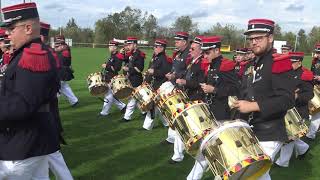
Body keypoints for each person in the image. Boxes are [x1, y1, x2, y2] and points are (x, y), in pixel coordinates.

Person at [0, 2, 61, 179]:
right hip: (29, 142)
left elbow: (22, 104)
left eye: (11, 28)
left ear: (28, 28)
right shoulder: (24, 52)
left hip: (23, 144)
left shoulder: (33, 56)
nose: (7, 33)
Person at [234, 18, 296, 180]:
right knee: (257, 176)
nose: (253, 42)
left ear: (270, 38)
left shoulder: (278, 63)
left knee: (247, 175)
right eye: (251, 39)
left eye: (258, 38)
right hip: (251, 129)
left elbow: (287, 100)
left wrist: (253, 106)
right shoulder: (252, 64)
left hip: (270, 132)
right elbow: (247, 94)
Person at [187, 36, 239, 180]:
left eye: (207, 52)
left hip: (221, 114)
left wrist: (214, 90)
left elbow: (236, 89)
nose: (204, 55)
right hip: (210, 111)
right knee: (210, 149)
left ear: (216, 50)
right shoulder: (211, 65)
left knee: (215, 150)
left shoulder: (226, 65)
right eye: (203, 52)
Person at [31, 21, 74, 180]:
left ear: (39, 36)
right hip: (41, 113)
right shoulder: (44, 53)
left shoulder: (47, 55)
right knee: (46, 157)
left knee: (50, 154)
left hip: (44, 112)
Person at [169, 36, 208, 164]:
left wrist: (186, 82)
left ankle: (205, 154)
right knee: (182, 126)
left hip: (197, 100)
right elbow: (185, 73)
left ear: (201, 51)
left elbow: (201, 83)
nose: (190, 51)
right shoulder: (192, 61)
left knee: (200, 130)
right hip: (189, 97)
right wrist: (177, 77)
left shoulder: (202, 63)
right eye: (190, 48)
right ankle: (178, 155)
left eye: (192, 48)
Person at [275, 52, 313, 168]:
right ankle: (303, 148)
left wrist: (297, 96)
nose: (289, 65)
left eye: (292, 63)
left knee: (288, 137)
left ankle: (283, 162)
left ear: (299, 62)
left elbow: (309, 94)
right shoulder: (287, 73)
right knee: (290, 135)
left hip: (298, 111)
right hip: (286, 109)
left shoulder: (305, 75)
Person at [143, 39, 171, 130]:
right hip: (153, 83)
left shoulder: (165, 59)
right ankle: (167, 123)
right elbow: (151, 69)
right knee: (159, 106)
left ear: (162, 48)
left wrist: (154, 72)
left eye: (156, 46)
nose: (154, 48)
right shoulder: (155, 57)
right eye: (154, 46)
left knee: (153, 105)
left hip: (160, 85)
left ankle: (147, 127)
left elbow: (166, 73)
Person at [99, 40, 126, 117]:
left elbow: (117, 68)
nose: (109, 47)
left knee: (108, 95)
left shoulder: (118, 56)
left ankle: (104, 112)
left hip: (112, 77)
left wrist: (106, 66)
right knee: (111, 95)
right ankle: (123, 106)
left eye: (111, 46)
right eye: (109, 46)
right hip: (108, 76)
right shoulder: (112, 55)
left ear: (115, 47)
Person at [122, 37, 145, 122]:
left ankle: (127, 117)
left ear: (135, 45)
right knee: (137, 98)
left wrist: (129, 70)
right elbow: (128, 61)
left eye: (130, 44)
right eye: (128, 44)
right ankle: (145, 112)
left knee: (132, 98)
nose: (128, 46)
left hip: (136, 79)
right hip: (131, 78)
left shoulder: (139, 55)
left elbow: (140, 69)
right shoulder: (131, 54)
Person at [55, 35, 79, 107]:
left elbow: (57, 50)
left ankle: (53, 104)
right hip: (63, 71)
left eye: (58, 40)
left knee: (57, 87)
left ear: (62, 40)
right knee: (64, 87)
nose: (57, 41)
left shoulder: (64, 47)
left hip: (62, 71)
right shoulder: (63, 47)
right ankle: (74, 101)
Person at [307, 43, 320, 139]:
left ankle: (311, 134)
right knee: (315, 110)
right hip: (316, 88)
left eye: (319, 52)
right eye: (316, 52)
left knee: (317, 112)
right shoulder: (315, 61)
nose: (317, 54)